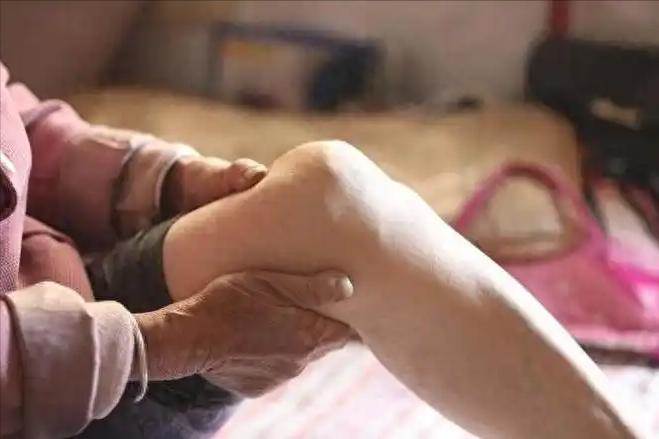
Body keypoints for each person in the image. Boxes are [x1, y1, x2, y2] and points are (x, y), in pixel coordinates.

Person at [0, 62, 355, 438]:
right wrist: (169, 345)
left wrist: (168, 179)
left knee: (318, 192)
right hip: (29, 395)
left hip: (68, 303)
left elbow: (15, 121)